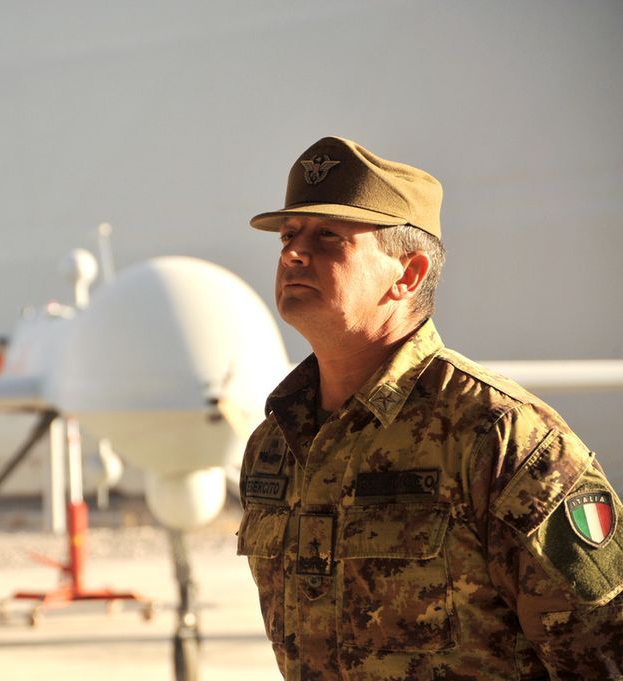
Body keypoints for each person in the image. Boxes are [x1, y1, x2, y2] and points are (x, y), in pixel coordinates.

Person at [238, 136, 623, 680]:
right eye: (289, 235)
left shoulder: (499, 435)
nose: (292, 253)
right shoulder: (275, 444)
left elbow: (603, 654)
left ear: (408, 274)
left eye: (328, 236)